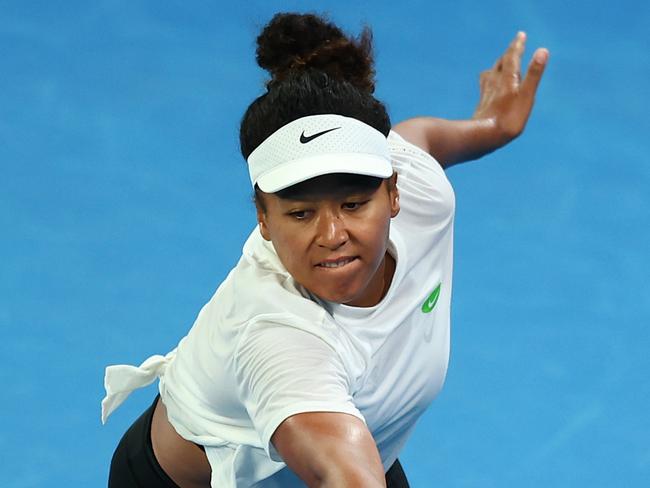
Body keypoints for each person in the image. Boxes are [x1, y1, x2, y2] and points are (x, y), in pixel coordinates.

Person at [101, 12, 548, 488]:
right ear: (263, 218)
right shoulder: (278, 336)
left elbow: (421, 139)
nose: (333, 234)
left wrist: (492, 125)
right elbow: (345, 474)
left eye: (354, 204)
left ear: (395, 192)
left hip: (352, 440)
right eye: (300, 213)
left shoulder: (424, 193)